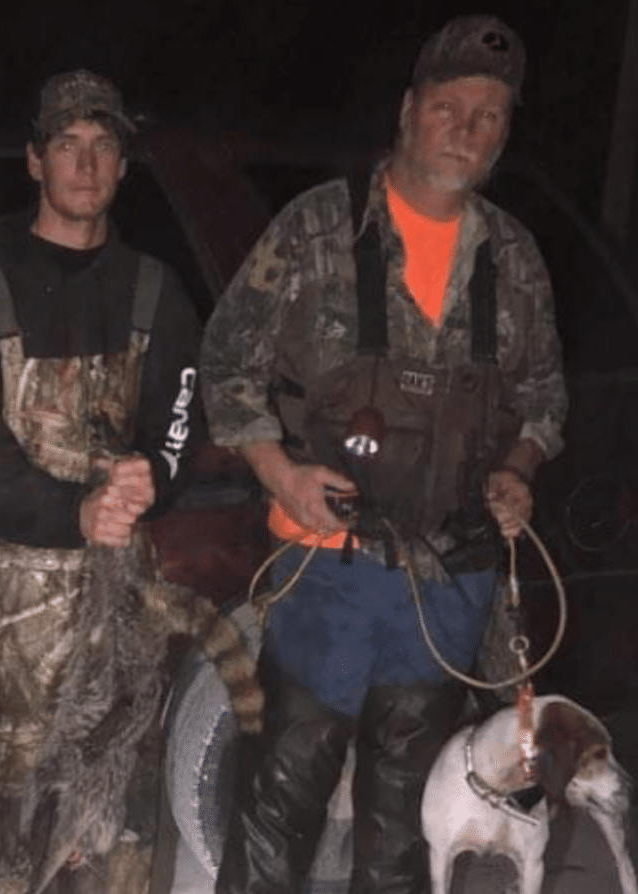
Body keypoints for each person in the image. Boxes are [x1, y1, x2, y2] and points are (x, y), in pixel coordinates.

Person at [200, 14, 567, 894]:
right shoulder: (317, 231)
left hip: (448, 587)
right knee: (280, 803)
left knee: (407, 824)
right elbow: (226, 367)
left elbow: (545, 400)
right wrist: (281, 473)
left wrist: (518, 467)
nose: (467, 132)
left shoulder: (513, 258)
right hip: (328, 573)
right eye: (450, 107)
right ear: (408, 111)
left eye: (490, 118)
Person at [0, 70, 205, 893]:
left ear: (124, 165)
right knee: (5, 827)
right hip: (3, 623)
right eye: (67, 145)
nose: (86, 166)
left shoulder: (159, 293)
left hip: (116, 609)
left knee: (113, 812)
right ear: (34, 161)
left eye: (105, 147)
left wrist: (149, 478)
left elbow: (179, 425)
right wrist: (74, 510)